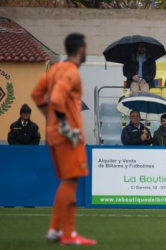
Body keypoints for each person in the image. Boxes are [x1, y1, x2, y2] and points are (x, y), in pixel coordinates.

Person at [31, 33, 96, 245]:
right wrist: (65, 127)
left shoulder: (56, 69)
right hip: (67, 137)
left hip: (54, 135)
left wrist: (50, 118)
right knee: (71, 181)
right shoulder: (71, 72)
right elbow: (57, 98)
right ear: (81, 49)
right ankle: (68, 234)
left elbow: (37, 94)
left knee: (67, 181)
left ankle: (54, 230)